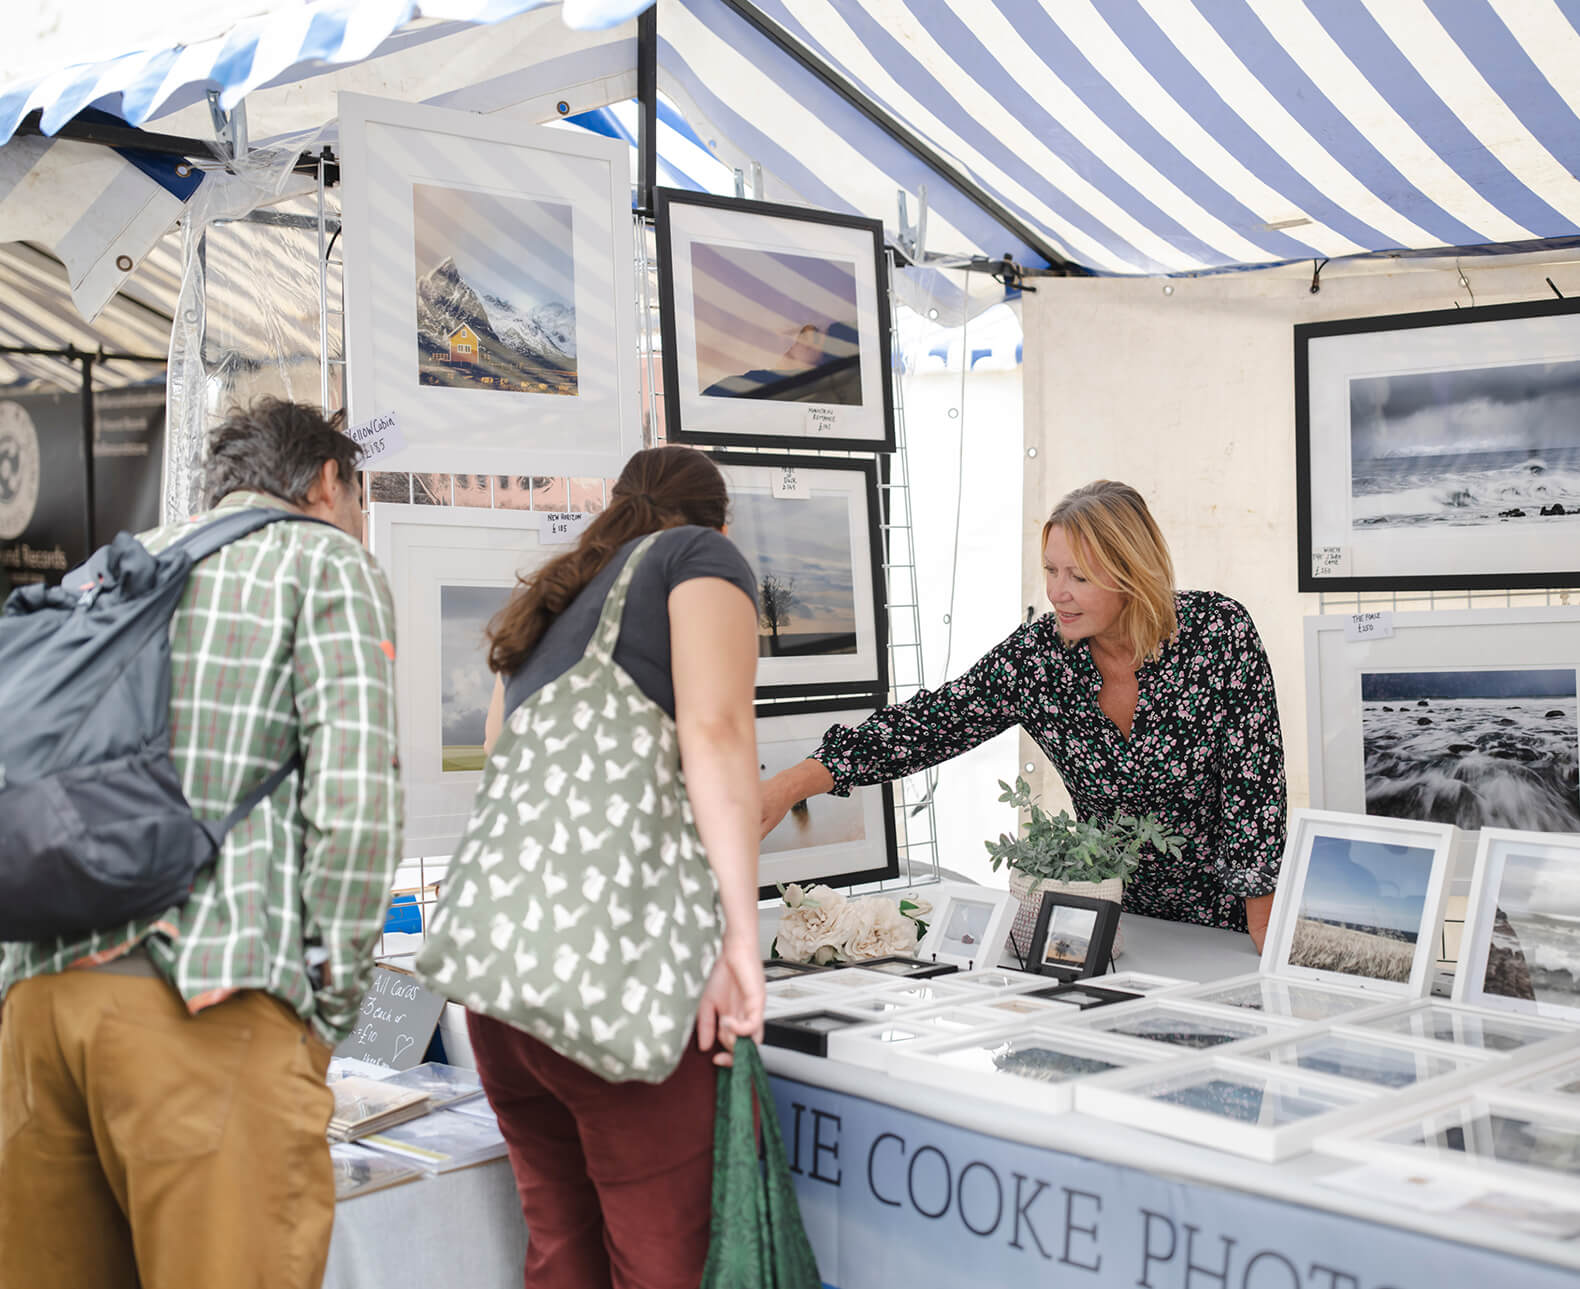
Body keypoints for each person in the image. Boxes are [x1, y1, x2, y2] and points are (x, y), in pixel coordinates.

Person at [0, 398, 402, 1289]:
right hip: (204, 1000)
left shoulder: (114, 569)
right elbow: (357, 804)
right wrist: (324, 1015)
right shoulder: (321, 559)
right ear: (328, 482)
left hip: (37, 1006)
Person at [470, 444, 765, 1289]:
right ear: (720, 521)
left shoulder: (551, 598)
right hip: (615, 976)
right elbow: (716, 732)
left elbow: (499, 759)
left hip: (504, 988)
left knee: (562, 1251)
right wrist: (736, 939)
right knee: (664, 1260)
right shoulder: (698, 556)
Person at [761, 479, 1288, 949]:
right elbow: (930, 724)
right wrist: (790, 784)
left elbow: (1255, 791)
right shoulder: (1038, 659)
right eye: (1051, 571)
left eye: (1079, 577)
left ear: (1132, 574)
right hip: (1115, 922)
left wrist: (1261, 931)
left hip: (1233, 923)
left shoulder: (1218, 634)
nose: (1057, 593)